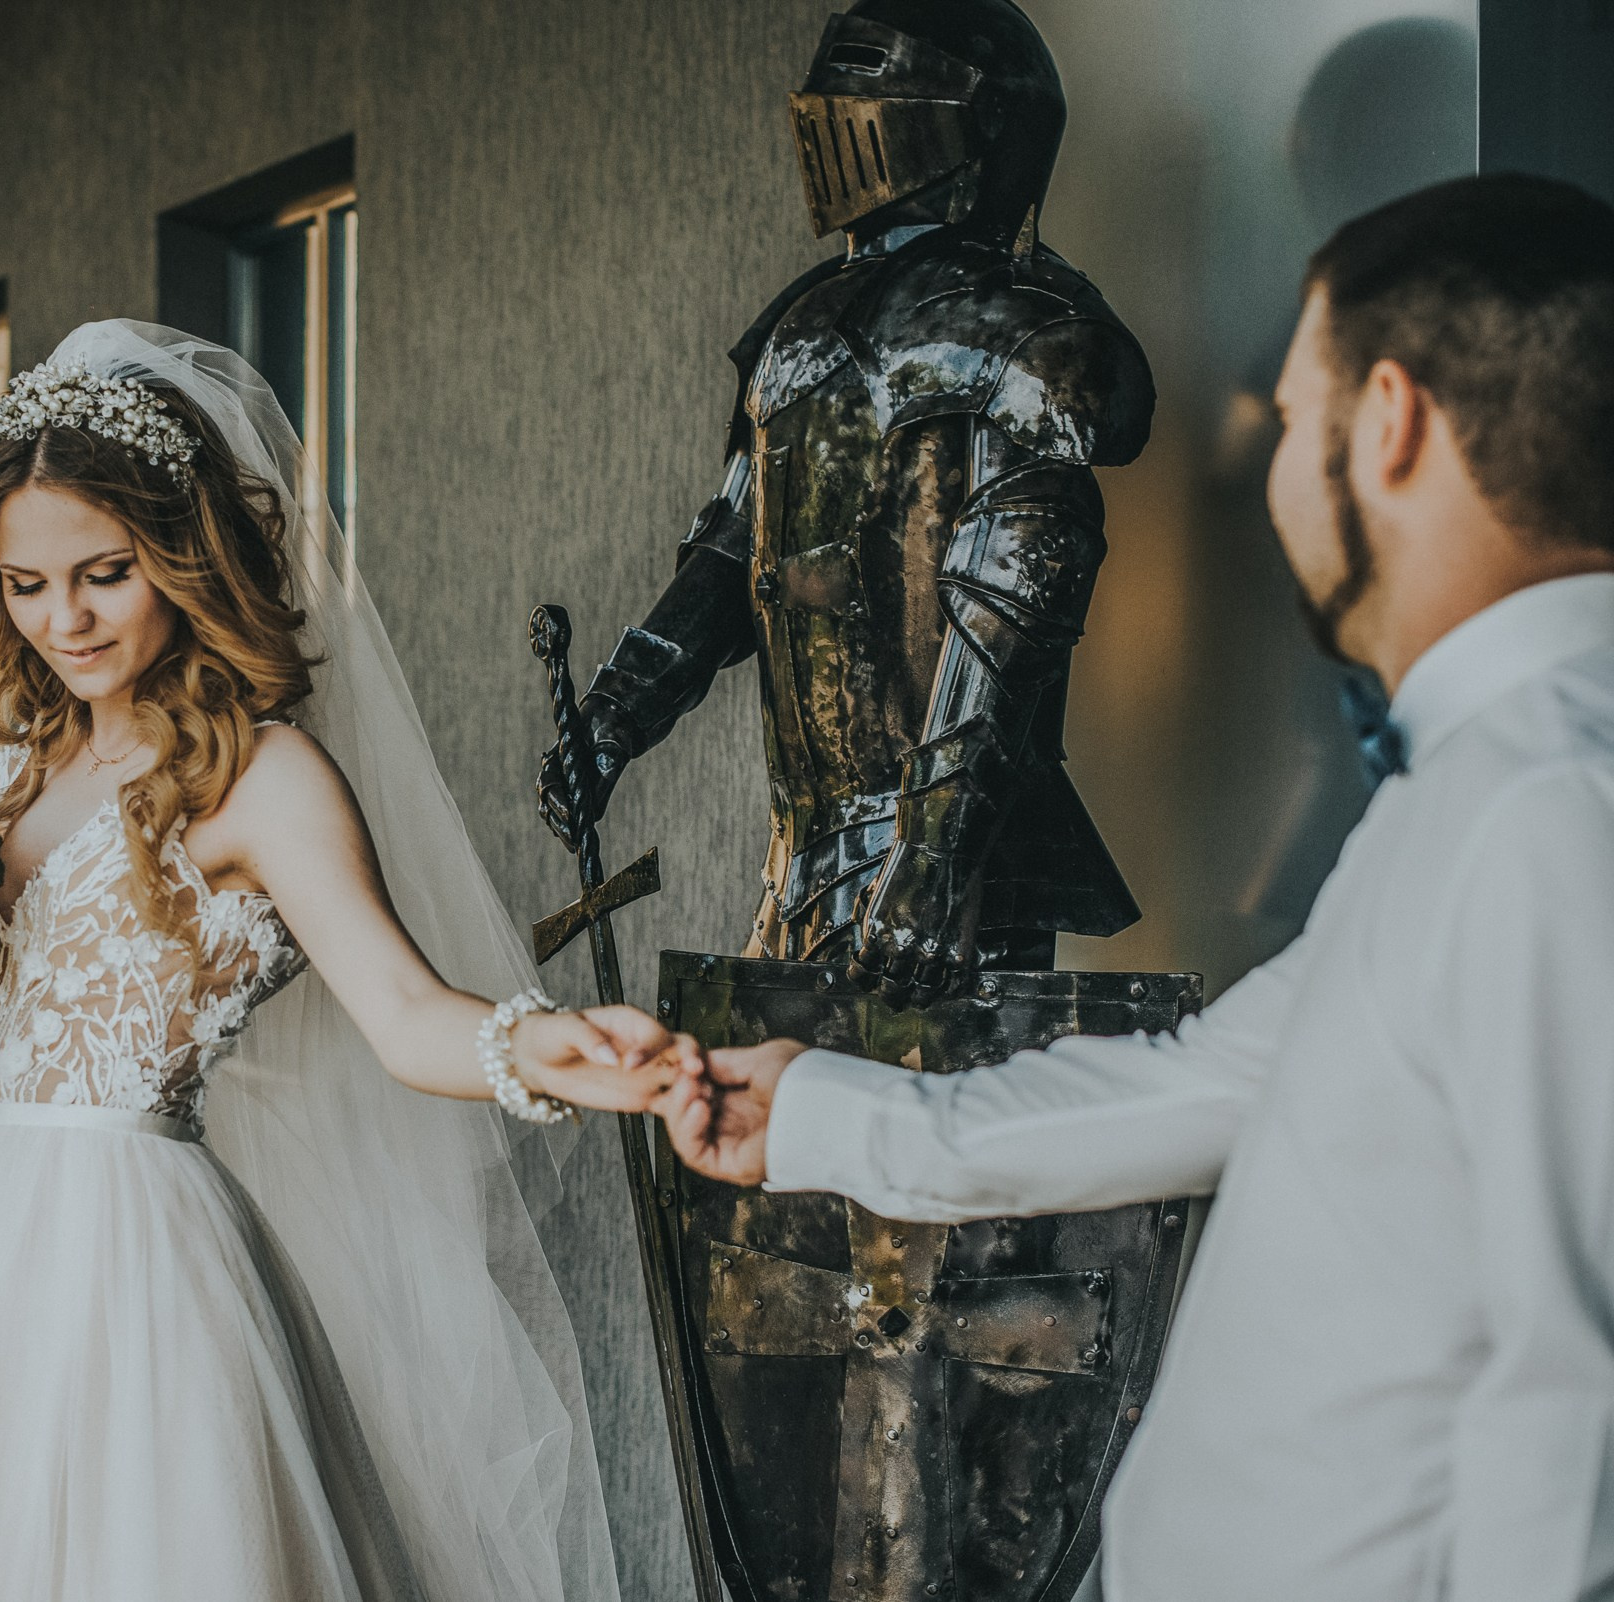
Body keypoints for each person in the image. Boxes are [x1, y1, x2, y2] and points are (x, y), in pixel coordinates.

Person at [661, 171, 1614, 1600]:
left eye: (1295, 420)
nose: (1269, 469)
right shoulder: (1484, 795)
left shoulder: (1549, 810)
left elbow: (1577, 1406)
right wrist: (804, 1106)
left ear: (1396, 422)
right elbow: (1199, 1088)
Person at [0, 322, 678, 1601]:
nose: (66, 619)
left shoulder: (264, 776)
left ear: (185, 558)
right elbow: (52, 1056)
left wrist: (551, 1049)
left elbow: (409, 1013)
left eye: (106, 572)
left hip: (141, 1271)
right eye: (28, 586)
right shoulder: (15, 767)